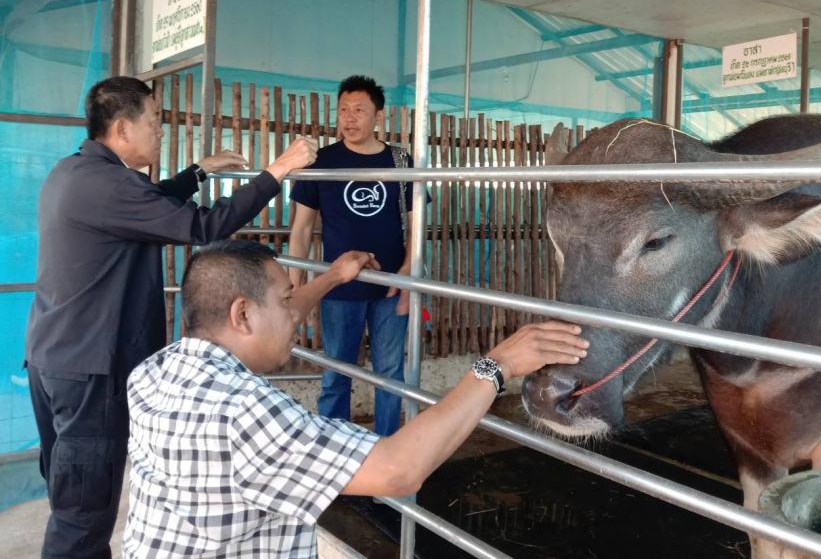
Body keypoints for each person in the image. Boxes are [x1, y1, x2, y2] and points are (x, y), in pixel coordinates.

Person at [124, 239, 588, 558]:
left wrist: (332, 278)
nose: (296, 316)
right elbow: (398, 470)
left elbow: (275, 319)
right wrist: (495, 366)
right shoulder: (244, 412)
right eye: (285, 301)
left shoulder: (155, 370)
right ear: (242, 314)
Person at [24, 76, 317, 559]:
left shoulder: (74, 172)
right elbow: (204, 226)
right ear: (122, 128)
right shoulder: (111, 186)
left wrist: (197, 173)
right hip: (91, 372)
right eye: (155, 120)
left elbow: (147, 203)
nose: (161, 130)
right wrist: (277, 171)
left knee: (70, 496)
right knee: (82, 518)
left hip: (52, 358)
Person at [288, 75, 418, 436]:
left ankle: (387, 446)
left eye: (360, 110)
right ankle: (333, 448)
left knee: (390, 374)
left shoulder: (400, 161)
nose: (349, 117)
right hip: (339, 289)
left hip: (390, 287)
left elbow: (417, 226)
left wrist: (407, 272)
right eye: (343, 109)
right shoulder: (322, 162)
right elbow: (301, 230)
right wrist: (294, 289)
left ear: (379, 116)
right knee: (336, 373)